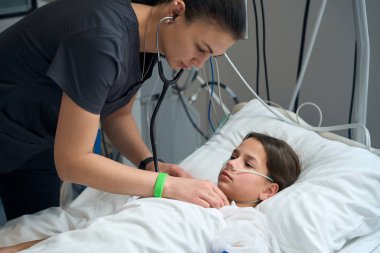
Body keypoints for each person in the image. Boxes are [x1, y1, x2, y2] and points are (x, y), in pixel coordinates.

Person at [0, 0, 247, 221]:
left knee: (33, 234)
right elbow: (73, 162)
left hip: (37, 145)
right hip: (11, 127)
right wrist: (165, 185)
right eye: (200, 48)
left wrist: (150, 163)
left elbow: (116, 115)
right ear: (176, 11)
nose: (198, 64)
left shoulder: (148, 43)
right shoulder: (103, 39)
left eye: (211, 56)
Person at [0, 131, 301, 252]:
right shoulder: (187, 189)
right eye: (234, 154)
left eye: (247, 162)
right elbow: (99, 229)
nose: (232, 163)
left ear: (269, 189)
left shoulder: (245, 221)